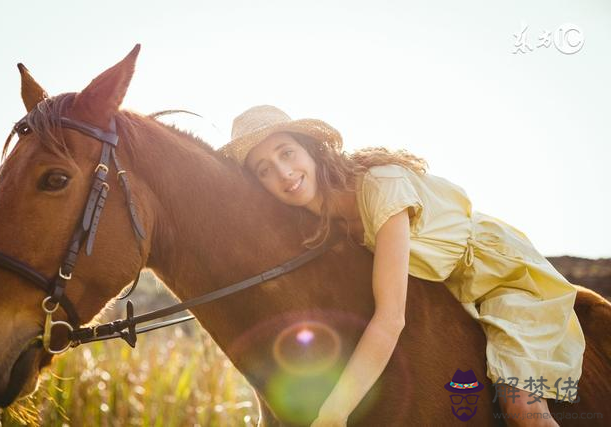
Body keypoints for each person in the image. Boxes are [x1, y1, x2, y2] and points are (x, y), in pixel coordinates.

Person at [219, 105, 586, 427]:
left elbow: (391, 317)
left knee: (521, 409)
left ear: (311, 149)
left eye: (287, 153)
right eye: (264, 169)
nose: (283, 172)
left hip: (504, 277)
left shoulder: (383, 187)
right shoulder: (318, 225)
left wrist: (336, 412)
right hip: (451, 289)